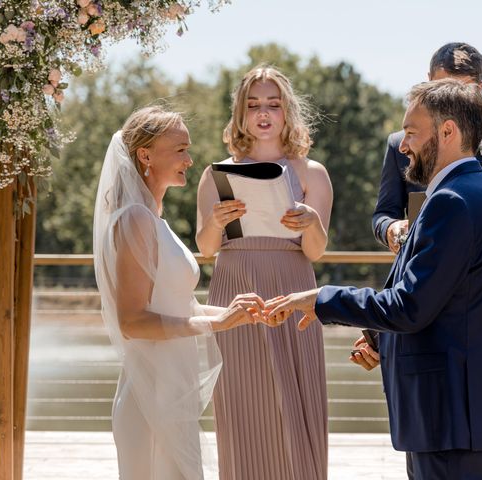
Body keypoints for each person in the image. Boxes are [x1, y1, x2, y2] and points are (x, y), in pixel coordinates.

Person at [266, 79, 482, 480]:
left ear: (448, 132)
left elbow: (409, 307)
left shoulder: (451, 201)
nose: (403, 145)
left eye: (411, 132)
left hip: (449, 419)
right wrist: (378, 338)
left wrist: (322, 298)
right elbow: (459, 299)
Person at [93, 106, 266, 480]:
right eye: (180, 150)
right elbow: (133, 321)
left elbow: (174, 305)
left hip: (169, 390)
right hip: (149, 395)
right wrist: (215, 325)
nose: (190, 159)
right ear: (145, 155)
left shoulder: (152, 219)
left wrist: (229, 312)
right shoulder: (135, 220)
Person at [196, 65, 333, 480]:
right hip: (234, 289)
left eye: (273, 104)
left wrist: (311, 222)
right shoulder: (215, 173)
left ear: (287, 111)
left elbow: (317, 252)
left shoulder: (312, 173)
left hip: (292, 289)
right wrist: (217, 221)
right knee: (241, 404)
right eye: (253, 104)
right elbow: (205, 249)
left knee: (298, 400)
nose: (263, 113)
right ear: (240, 113)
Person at [373, 42, 482, 256]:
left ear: (479, 89)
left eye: (462, 89)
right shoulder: (401, 145)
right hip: (421, 268)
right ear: (428, 82)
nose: (450, 98)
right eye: (440, 87)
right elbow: (383, 215)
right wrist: (390, 229)